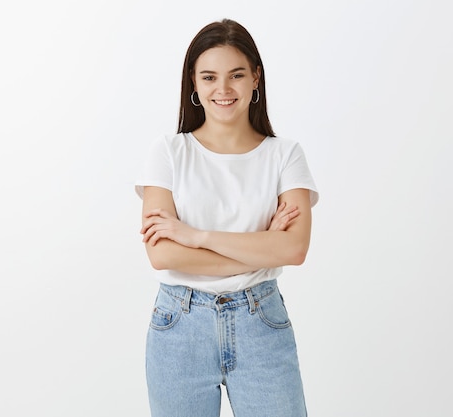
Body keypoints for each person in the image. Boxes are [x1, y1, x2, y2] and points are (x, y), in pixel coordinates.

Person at [135, 18, 318, 417]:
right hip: (179, 325)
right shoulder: (167, 152)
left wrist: (194, 235)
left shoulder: (284, 155)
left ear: (256, 78)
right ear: (194, 84)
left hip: (261, 322)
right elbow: (163, 255)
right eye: (209, 77)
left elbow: (294, 248)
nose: (223, 89)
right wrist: (262, 249)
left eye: (236, 75)